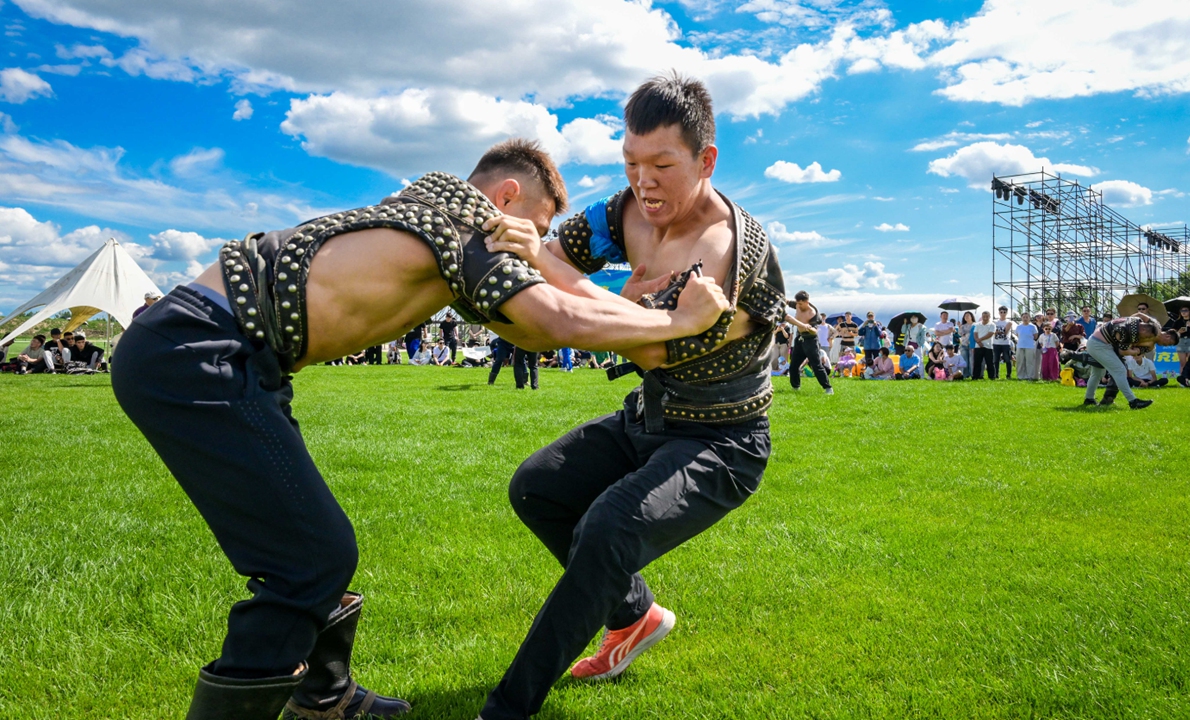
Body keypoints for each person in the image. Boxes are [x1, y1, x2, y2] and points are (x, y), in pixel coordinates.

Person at [110, 138, 729, 720]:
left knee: (308, 539)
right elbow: (556, 319)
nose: (531, 244)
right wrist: (680, 321)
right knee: (312, 558)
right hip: (202, 349)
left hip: (219, 350)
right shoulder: (468, 229)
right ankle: (307, 698)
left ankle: (324, 696)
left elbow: (532, 327)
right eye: (536, 227)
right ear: (507, 196)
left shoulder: (426, 210)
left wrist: (614, 300)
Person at [476, 74, 783, 720]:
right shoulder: (623, 212)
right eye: (631, 163)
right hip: (647, 418)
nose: (644, 182)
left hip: (722, 442)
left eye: (662, 166)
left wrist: (607, 300)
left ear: (706, 160)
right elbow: (548, 256)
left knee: (608, 530)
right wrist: (621, 301)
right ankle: (635, 615)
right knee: (536, 487)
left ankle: (505, 709)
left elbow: (648, 349)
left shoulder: (724, 249)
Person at [1071, 313, 1178, 408]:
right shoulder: (1141, 328)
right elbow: (1139, 316)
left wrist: (1134, 346)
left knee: (1098, 373)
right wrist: (1131, 326)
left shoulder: (1148, 344)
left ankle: (1089, 399)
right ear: (1168, 336)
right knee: (1120, 370)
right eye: (1168, 343)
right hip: (1100, 344)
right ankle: (1133, 401)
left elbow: (1130, 350)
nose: (1166, 346)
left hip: (1101, 343)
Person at [787, 291, 833, 394]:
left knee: (816, 366)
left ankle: (828, 388)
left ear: (807, 302)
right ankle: (795, 387)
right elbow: (786, 302)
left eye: (800, 304)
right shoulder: (797, 305)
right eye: (797, 303)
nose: (798, 306)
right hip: (799, 339)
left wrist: (807, 327)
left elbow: (815, 331)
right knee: (793, 365)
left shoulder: (813, 314)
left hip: (810, 341)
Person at [1167, 306, 1190, 371]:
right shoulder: (1177, 321)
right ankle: (1183, 376)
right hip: (1181, 341)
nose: (1183, 312)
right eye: (1182, 311)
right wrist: (1179, 332)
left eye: (1185, 310)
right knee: (1182, 363)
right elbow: (1172, 333)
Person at [972, 311, 997, 380]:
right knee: (977, 362)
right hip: (978, 346)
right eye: (984, 316)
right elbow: (975, 333)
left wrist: (980, 339)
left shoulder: (992, 325)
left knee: (990, 362)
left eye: (987, 316)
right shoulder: (978, 324)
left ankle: (992, 376)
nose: (985, 318)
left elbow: (990, 334)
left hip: (988, 346)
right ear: (982, 316)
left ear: (989, 317)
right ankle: (975, 376)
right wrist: (978, 341)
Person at [1014, 312, 1039, 380]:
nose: (1025, 319)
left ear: (1029, 318)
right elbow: (1017, 335)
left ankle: (1030, 376)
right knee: (1020, 361)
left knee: (1029, 362)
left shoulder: (1033, 327)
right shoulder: (1018, 327)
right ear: (1021, 318)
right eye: (1024, 317)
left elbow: (1035, 336)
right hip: (1020, 345)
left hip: (1030, 346)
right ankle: (1020, 376)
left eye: (1027, 317)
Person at [992, 306, 1014, 379]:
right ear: (999, 313)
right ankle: (996, 374)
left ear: (1006, 313)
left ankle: (1008, 375)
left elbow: (1005, 332)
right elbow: (992, 332)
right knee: (996, 360)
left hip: (1005, 343)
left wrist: (997, 331)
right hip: (996, 343)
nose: (1003, 314)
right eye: (1001, 312)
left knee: (1007, 359)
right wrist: (998, 331)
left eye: (1004, 312)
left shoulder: (1009, 322)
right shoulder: (994, 322)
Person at [960, 311, 976, 377]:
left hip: (973, 344)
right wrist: (960, 327)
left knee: (972, 360)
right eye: (965, 316)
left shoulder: (975, 324)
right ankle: (965, 374)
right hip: (964, 344)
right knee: (964, 359)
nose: (966, 317)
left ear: (971, 316)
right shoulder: (962, 326)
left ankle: (973, 373)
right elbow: (961, 334)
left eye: (968, 315)